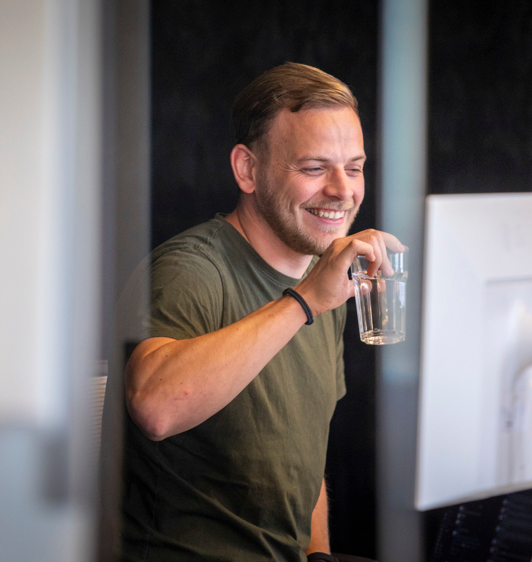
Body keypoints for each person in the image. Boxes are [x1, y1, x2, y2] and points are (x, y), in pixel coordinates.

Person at [121, 62, 402, 562]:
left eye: (355, 167)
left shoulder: (326, 278)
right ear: (248, 170)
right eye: (314, 168)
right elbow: (154, 408)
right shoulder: (191, 269)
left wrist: (318, 556)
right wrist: (304, 301)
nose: (343, 190)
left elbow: (301, 462)